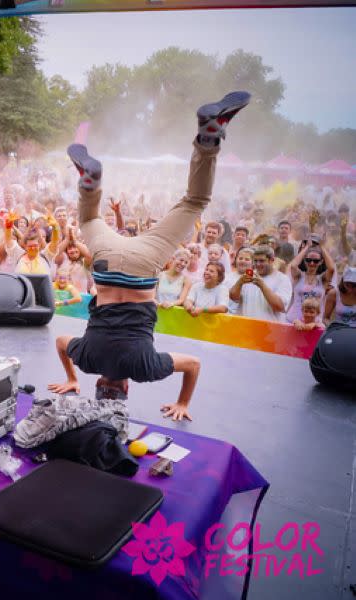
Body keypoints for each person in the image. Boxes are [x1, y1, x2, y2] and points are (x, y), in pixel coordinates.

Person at [49, 91, 251, 422]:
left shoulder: (145, 369)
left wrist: (183, 403)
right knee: (88, 219)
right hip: (107, 265)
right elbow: (60, 341)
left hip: (144, 265)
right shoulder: (86, 360)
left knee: (195, 201)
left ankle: (208, 136)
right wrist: (73, 378)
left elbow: (193, 365)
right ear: (97, 381)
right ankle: (90, 184)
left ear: (127, 389)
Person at [228, 245, 293, 322]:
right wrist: (239, 282)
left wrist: (262, 285)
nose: (258, 264)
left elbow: (279, 307)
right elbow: (234, 298)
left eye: (262, 261)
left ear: (271, 260)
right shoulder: (249, 275)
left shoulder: (282, 279)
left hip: (271, 330)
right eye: (255, 261)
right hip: (247, 329)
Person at [287, 241, 335, 324]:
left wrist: (322, 247)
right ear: (305, 260)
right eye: (309, 260)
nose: (312, 263)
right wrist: (306, 247)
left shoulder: (322, 280)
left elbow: (331, 268)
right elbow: (293, 265)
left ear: (321, 262)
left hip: (314, 322)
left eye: (315, 261)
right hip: (293, 320)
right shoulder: (299, 276)